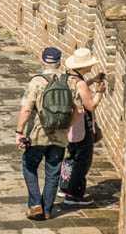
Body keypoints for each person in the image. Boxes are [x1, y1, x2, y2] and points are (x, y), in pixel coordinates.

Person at [15, 47, 82, 221]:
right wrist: (67, 125)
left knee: (29, 166)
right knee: (53, 172)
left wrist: (19, 132)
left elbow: (26, 110)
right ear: (60, 62)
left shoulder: (37, 82)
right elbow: (79, 111)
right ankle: (46, 210)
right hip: (59, 136)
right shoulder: (70, 82)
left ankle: (35, 204)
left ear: (42, 61)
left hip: (38, 133)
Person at [59, 48, 106, 205]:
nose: (91, 67)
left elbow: (78, 88)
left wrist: (91, 81)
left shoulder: (67, 77)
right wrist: (99, 92)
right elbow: (90, 105)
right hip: (81, 126)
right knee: (83, 160)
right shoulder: (80, 84)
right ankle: (74, 194)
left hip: (69, 125)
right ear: (84, 66)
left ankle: (65, 186)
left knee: (71, 155)